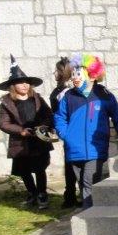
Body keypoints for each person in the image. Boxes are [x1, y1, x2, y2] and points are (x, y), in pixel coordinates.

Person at [54, 54, 118, 208]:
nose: (75, 78)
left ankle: (88, 215)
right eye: (73, 74)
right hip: (74, 149)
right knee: (83, 185)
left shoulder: (104, 95)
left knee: (89, 183)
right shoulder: (68, 96)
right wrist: (65, 135)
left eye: (79, 74)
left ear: (92, 76)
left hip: (95, 149)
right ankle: (94, 211)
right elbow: (60, 117)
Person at [0, 55, 54, 209]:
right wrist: (21, 131)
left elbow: (48, 115)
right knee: (24, 170)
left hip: (38, 140)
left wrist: (43, 127)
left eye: (27, 82)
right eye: (20, 82)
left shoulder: (37, 99)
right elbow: (3, 123)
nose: (24, 85)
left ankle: (42, 194)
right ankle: (32, 193)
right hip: (20, 142)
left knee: (40, 169)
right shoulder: (7, 103)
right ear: (13, 86)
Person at [49, 56, 79, 208]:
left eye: (57, 70)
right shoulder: (59, 91)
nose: (55, 73)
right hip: (66, 131)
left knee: (73, 164)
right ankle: (70, 196)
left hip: (73, 131)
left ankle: (73, 196)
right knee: (69, 164)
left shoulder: (69, 91)